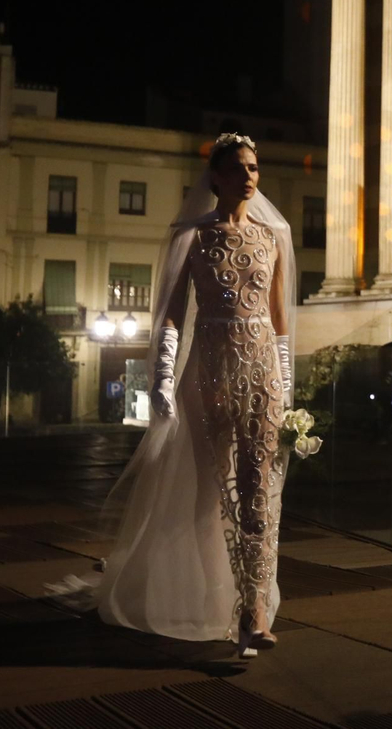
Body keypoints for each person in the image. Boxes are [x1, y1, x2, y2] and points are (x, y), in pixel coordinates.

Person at [90, 133, 296, 657]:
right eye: (240, 168)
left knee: (259, 494)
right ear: (217, 178)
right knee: (210, 495)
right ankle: (213, 597)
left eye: (255, 167)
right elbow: (173, 315)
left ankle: (252, 613)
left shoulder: (274, 237)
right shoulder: (195, 236)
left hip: (264, 376)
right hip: (210, 372)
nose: (250, 176)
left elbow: (279, 324)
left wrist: (287, 384)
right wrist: (161, 378)